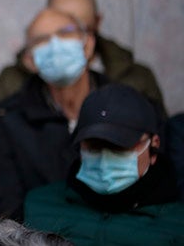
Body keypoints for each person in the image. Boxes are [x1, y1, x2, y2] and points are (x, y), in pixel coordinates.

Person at [0, 8, 105, 221]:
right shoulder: (6, 120)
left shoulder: (127, 106)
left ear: (88, 43)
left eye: (65, 33)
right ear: (30, 60)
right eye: (42, 40)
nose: (56, 45)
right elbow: (5, 208)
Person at [25, 84, 184, 244]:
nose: (104, 160)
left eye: (119, 147)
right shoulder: (38, 207)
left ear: (153, 144)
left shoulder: (177, 224)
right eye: (94, 146)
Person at [0, 0, 165, 113]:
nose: (63, 44)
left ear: (96, 23)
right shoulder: (14, 82)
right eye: (61, 30)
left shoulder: (136, 78)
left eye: (76, 30)